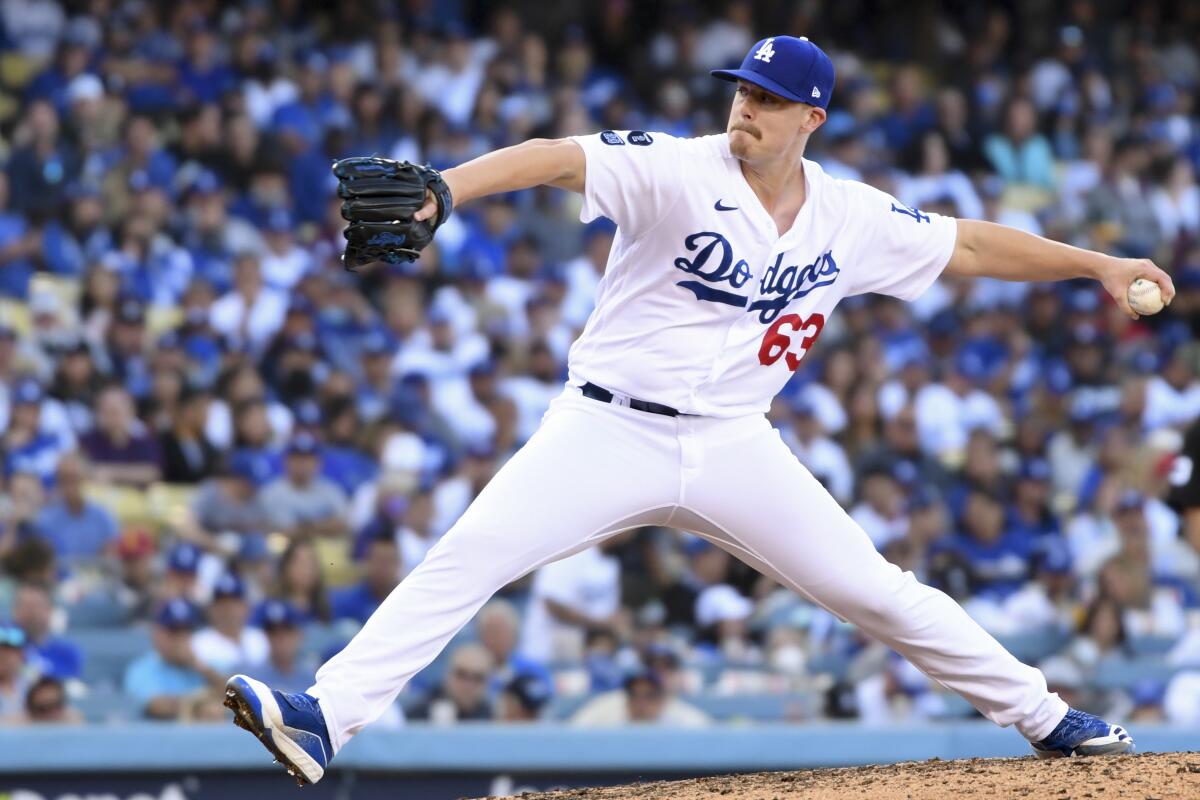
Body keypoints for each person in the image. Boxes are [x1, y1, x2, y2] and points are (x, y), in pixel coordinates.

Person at [225, 36, 1159, 783]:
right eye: (741, 92)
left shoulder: (850, 215)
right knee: (468, 557)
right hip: (606, 427)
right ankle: (323, 716)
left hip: (734, 443)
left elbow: (970, 249)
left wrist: (1098, 265)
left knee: (874, 590)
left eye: (766, 100)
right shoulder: (675, 168)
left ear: (811, 119)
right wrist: (445, 190)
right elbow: (558, 159)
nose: (744, 109)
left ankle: (1047, 719)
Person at [123, 598, 225, 720]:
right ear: (158, 634)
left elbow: (237, 696)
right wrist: (199, 706)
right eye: (174, 631)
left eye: (185, 631)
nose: (180, 638)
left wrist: (199, 666)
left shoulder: (204, 665)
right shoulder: (141, 669)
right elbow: (157, 706)